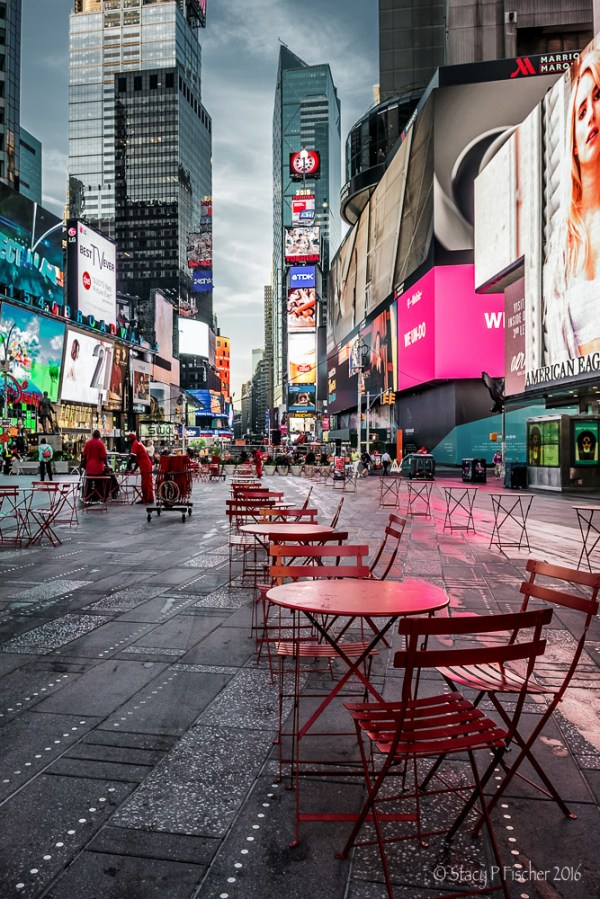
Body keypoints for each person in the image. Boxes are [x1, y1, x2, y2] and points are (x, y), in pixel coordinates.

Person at [546, 48, 600, 361]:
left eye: (598, 96)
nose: (591, 113)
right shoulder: (562, 246)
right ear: (574, 143)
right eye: (581, 111)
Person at [126, 432, 154, 504]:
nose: (127, 440)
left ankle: (146, 499)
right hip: (146, 464)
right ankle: (150, 498)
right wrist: (134, 469)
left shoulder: (135, 444)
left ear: (131, 438)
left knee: (145, 482)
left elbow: (133, 457)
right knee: (148, 482)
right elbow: (137, 459)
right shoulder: (138, 443)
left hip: (145, 465)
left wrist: (128, 467)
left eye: (128, 438)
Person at [81, 429, 109, 502]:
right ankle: (98, 497)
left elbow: (84, 455)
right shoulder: (100, 444)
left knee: (89, 482)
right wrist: (107, 466)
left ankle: (88, 496)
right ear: (99, 436)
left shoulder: (88, 443)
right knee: (99, 483)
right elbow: (103, 457)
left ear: (93, 435)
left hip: (89, 468)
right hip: (98, 468)